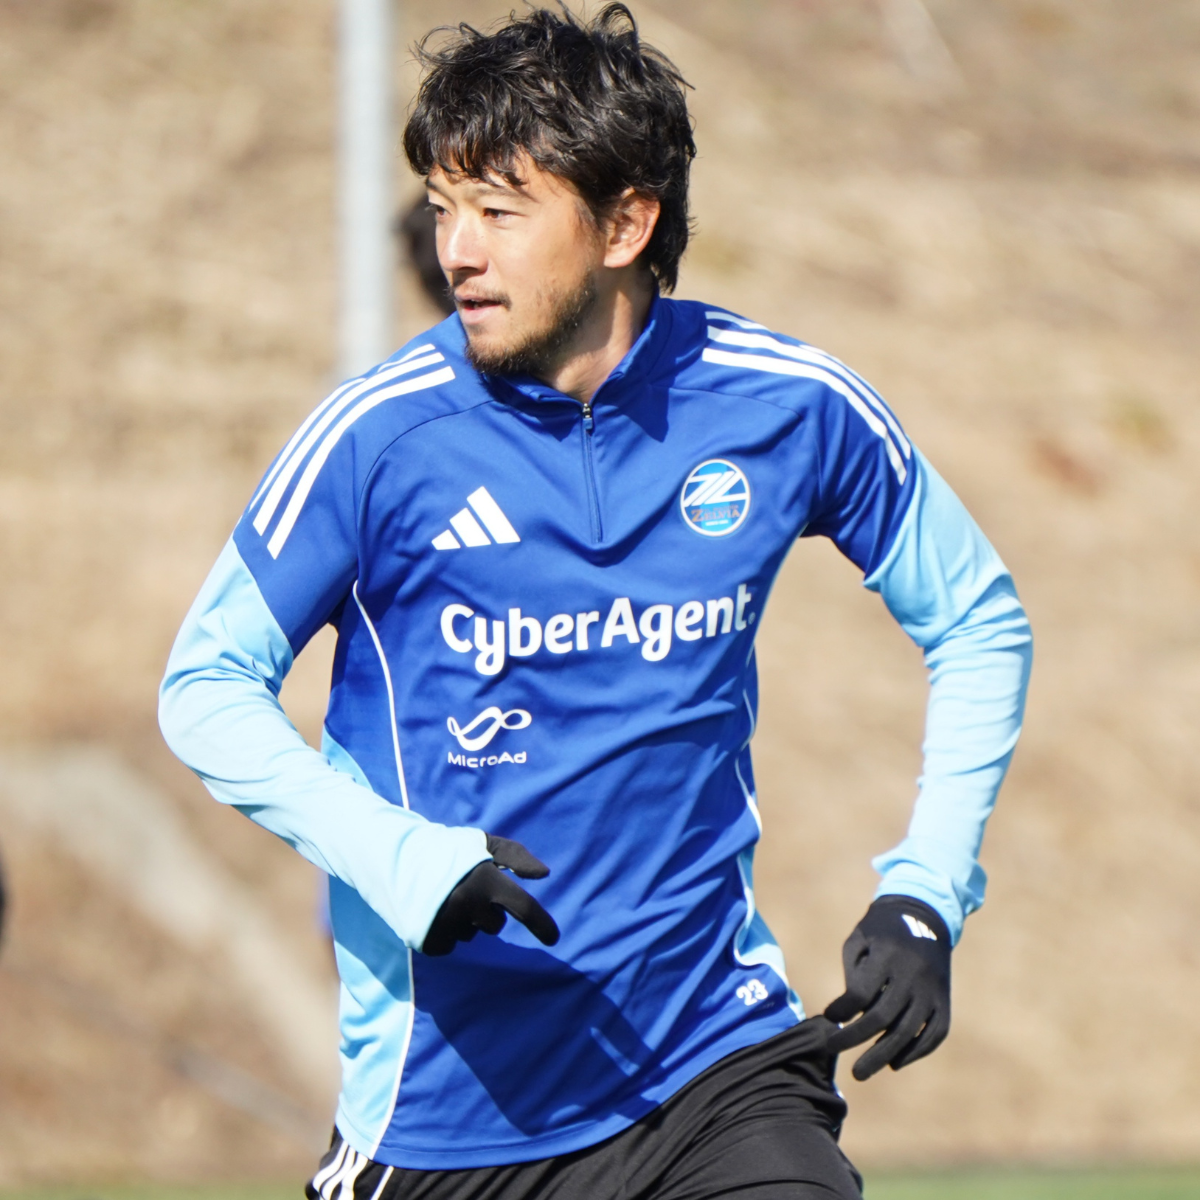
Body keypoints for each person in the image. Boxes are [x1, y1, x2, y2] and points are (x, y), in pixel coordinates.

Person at [158, 7, 1032, 1198]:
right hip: (447, 1116)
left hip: (710, 1068)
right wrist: (397, 857)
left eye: (499, 211)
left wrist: (927, 887)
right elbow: (205, 688)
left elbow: (978, 620)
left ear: (627, 224)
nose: (456, 251)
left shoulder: (789, 406)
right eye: (444, 207)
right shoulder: (376, 438)